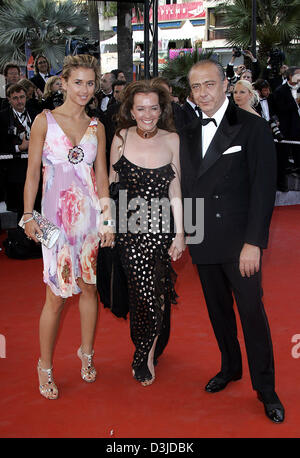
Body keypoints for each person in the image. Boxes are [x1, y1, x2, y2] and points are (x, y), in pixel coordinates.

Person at [180, 59, 285, 423]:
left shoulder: (252, 128)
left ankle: (266, 388)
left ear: (226, 84)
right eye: (196, 87)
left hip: (241, 242)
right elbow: (188, 188)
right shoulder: (188, 130)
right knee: (218, 311)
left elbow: (262, 189)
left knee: (252, 313)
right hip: (203, 238)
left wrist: (254, 242)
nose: (203, 93)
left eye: (209, 84)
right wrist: (187, 234)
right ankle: (230, 366)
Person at [23, 54, 114, 400]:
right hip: (55, 221)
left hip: (89, 218)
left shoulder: (97, 126)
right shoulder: (44, 121)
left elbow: (101, 174)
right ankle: (44, 366)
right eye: (78, 82)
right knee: (57, 296)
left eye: (91, 83)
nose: (85, 89)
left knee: (89, 288)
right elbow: (33, 172)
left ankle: (86, 354)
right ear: (63, 83)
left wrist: (107, 219)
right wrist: (28, 215)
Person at [109, 80, 185, 386]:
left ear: (162, 108)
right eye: (140, 108)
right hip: (128, 229)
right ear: (130, 109)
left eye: (153, 107)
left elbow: (176, 187)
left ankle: (146, 354)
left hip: (161, 228)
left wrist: (180, 234)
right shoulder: (120, 138)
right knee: (140, 294)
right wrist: (106, 227)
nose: (147, 113)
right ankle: (148, 342)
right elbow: (108, 186)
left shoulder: (172, 139)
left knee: (156, 291)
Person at [0, 83, 39, 218]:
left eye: (22, 97)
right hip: (14, 172)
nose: (19, 101)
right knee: (21, 210)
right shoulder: (2, 117)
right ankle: (21, 238)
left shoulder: (35, 113)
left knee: (37, 207)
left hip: (36, 168)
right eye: (15, 98)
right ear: (9, 100)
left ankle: (38, 238)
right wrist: (19, 148)